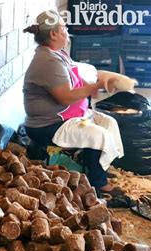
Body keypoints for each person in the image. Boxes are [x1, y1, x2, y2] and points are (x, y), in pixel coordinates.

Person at [23, 10, 124, 196]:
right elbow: (65, 97)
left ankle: (100, 166)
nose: (67, 31)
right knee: (96, 134)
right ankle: (98, 182)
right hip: (48, 125)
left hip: (66, 116)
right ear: (53, 34)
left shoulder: (58, 55)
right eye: (63, 28)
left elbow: (75, 80)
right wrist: (98, 84)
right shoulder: (47, 61)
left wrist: (97, 86)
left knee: (109, 122)